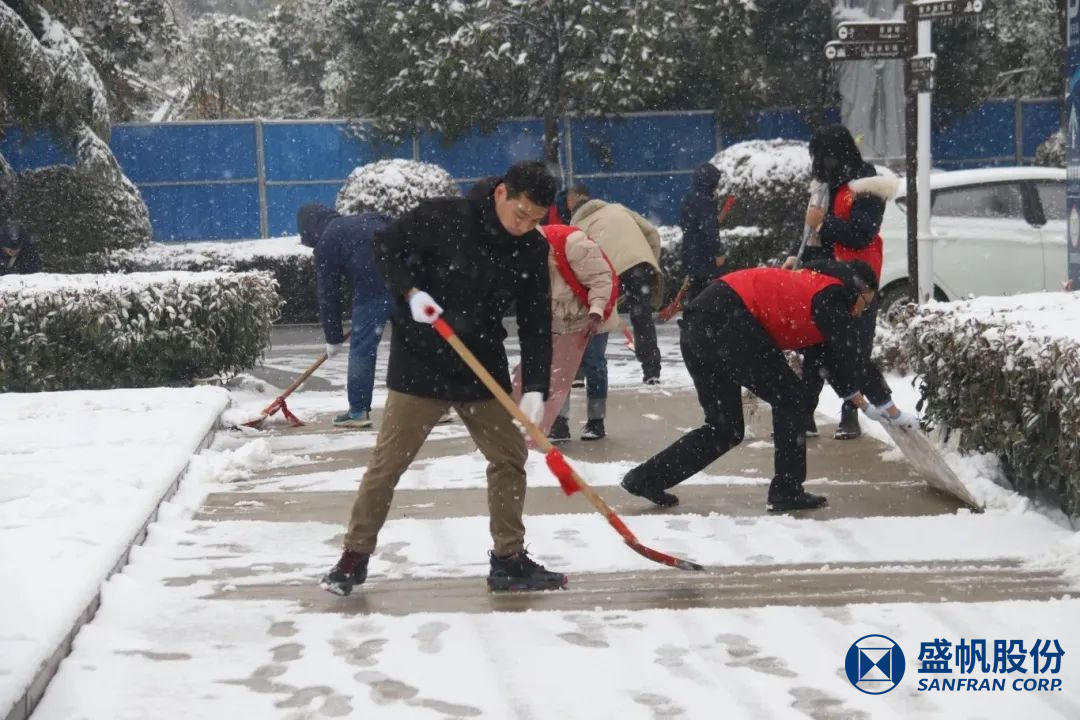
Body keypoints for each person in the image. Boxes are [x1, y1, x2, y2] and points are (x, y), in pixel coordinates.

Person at [320, 160, 566, 596]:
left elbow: (535, 321)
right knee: (388, 465)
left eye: (535, 219)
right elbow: (385, 246)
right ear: (501, 193)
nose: (524, 225)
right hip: (421, 361)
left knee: (509, 458)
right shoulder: (444, 216)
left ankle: (509, 560)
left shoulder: (530, 248)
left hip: (481, 365)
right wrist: (409, 292)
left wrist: (535, 388)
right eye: (520, 213)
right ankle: (353, 558)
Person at [620, 259, 916, 512]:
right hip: (730, 323)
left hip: (700, 328)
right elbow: (854, 357)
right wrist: (890, 408)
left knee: (724, 429)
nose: (861, 312)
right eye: (866, 304)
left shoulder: (816, 287)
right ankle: (787, 490)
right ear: (859, 289)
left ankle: (646, 479)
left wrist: (863, 404)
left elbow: (829, 360)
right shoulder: (831, 295)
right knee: (791, 399)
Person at [782, 125, 898, 440]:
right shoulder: (825, 186)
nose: (819, 164)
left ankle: (851, 415)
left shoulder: (867, 185)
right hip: (823, 278)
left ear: (838, 154)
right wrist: (796, 255)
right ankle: (804, 415)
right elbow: (810, 229)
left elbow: (862, 234)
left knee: (853, 350)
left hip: (857, 281)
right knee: (816, 347)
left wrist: (825, 223)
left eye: (824, 156)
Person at [521, 224, 620, 444]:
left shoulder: (572, 243)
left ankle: (596, 420)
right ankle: (560, 423)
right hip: (559, 317)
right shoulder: (524, 255)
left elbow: (602, 280)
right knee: (558, 369)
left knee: (593, 364)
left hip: (593, 312)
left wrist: (596, 313)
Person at [298, 203, 393, 429]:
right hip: (409, 283)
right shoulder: (372, 218)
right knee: (414, 344)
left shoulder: (326, 242)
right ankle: (434, 408)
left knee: (362, 350)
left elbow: (328, 294)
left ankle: (358, 411)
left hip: (372, 292)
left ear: (310, 229)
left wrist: (333, 338)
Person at [568, 184, 664, 384]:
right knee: (642, 317)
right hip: (639, 265)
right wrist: (649, 260)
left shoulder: (577, 226)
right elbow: (652, 232)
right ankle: (651, 370)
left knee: (590, 315)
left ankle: (579, 372)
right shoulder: (618, 208)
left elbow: (577, 261)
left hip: (609, 270)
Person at [680, 163, 728, 304]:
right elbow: (709, 230)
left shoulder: (689, 197)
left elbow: (686, 224)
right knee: (711, 292)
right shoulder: (705, 201)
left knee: (695, 290)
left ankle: (692, 313)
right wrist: (718, 253)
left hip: (689, 252)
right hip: (704, 255)